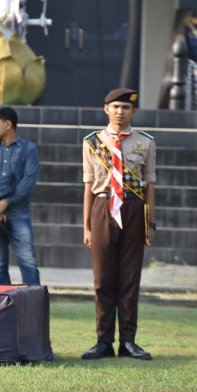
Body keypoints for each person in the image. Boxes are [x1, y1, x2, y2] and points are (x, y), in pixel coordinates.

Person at [81, 88, 156, 361]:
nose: (120, 112)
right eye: (115, 107)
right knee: (103, 279)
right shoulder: (92, 142)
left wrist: (150, 224)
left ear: (133, 112)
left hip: (134, 210)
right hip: (102, 207)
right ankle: (103, 341)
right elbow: (89, 186)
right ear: (106, 109)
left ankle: (128, 341)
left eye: (125, 108)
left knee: (129, 279)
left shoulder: (145, 142)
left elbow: (149, 186)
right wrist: (87, 226)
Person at [0, 107, 41, 286]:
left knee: (28, 263)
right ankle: (4, 307)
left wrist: (6, 203)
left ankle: (33, 307)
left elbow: (28, 181)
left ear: (8, 124)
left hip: (18, 213)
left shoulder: (28, 149)